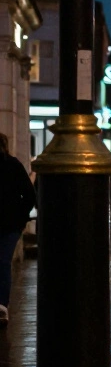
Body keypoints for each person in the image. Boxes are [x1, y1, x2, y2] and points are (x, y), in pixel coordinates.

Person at [0, 133, 36, 325]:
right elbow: (30, 196)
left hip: (10, 224)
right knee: (3, 262)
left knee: (3, 262)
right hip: (10, 225)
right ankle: (2, 306)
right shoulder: (14, 166)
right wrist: (21, 219)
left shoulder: (13, 166)